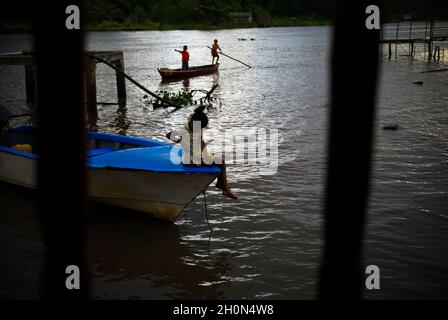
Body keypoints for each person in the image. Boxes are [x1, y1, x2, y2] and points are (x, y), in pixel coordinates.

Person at [165, 106, 237, 199]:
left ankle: (222, 185)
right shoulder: (183, 130)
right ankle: (225, 189)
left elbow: (201, 143)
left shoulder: (198, 126)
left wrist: (205, 155)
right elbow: (168, 135)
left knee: (218, 160)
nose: (199, 129)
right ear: (192, 122)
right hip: (190, 160)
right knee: (221, 162)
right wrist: (179, 141)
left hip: (197, 156)